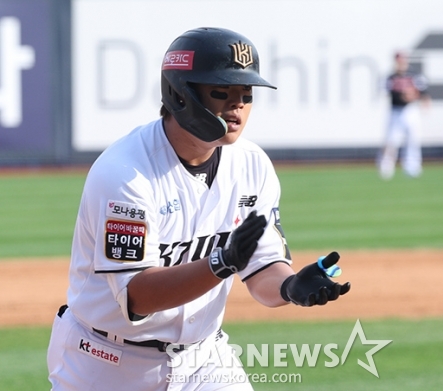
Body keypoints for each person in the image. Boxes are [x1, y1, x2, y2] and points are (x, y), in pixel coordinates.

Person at [46, 27, 350, 390]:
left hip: (205, 360)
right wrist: (221, 262)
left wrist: (290, 286)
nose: (237, 104)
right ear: (180, 95)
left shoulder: (252, 165)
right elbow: (138, 296)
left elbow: (261, 266)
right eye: (221, 91)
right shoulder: (126, 173)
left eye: (246, 94)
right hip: (107, 364)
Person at [378, 51, 430, 179]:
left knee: (413, 139)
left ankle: (412, 167)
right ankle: (386, 167)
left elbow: (424, 92)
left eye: (402, 61)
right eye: (398, 61)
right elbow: (386, 92)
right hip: (396, 110)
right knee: (392, 140)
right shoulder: (391, 77)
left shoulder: (414, 75)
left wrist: (418, 98)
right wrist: (403, 95)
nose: (400, 64)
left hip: (411, 110)